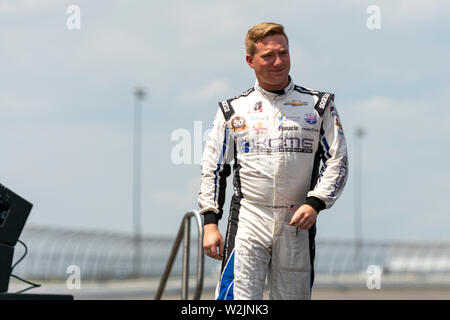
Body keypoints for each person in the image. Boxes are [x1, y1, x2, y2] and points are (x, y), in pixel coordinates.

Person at [198, 22, 348, 300]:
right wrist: (210, 223)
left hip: (296, 221)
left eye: (284, 53)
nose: (278, 62)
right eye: (268, 56)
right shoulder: (232, 110)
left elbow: (337, 161)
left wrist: (316, 203)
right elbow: (214, 169)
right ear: (250, 61)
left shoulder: (318, 104)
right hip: (249, 217)